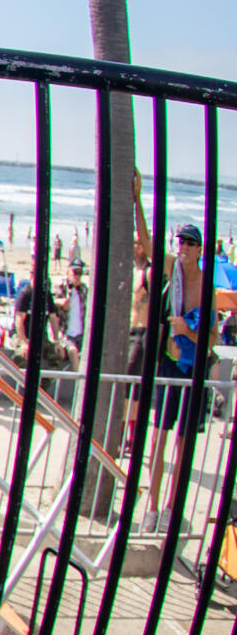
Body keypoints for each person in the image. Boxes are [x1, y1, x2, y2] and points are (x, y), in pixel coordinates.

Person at [145, 223, 207, 532]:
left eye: (189, 242)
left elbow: (211, 340)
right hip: (168, 365)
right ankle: (152, 507)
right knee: (158, 438)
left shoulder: (206, 287)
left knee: (183, 443)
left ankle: (171, 507)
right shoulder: (175, 275)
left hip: (193, 369)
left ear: (199, 250)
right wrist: (138, 202)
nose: (182, 245)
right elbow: (147, 245)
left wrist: (188, 331)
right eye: (180, 240)